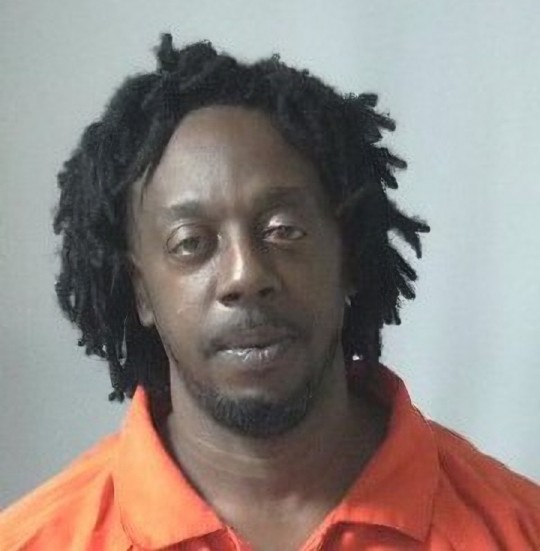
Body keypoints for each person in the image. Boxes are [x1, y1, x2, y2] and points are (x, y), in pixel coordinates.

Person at [1, 33, 539, 550]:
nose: (245, 275)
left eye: (284, 230)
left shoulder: (521, 528)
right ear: (141, 290)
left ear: (348, 255)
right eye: (191, 243)